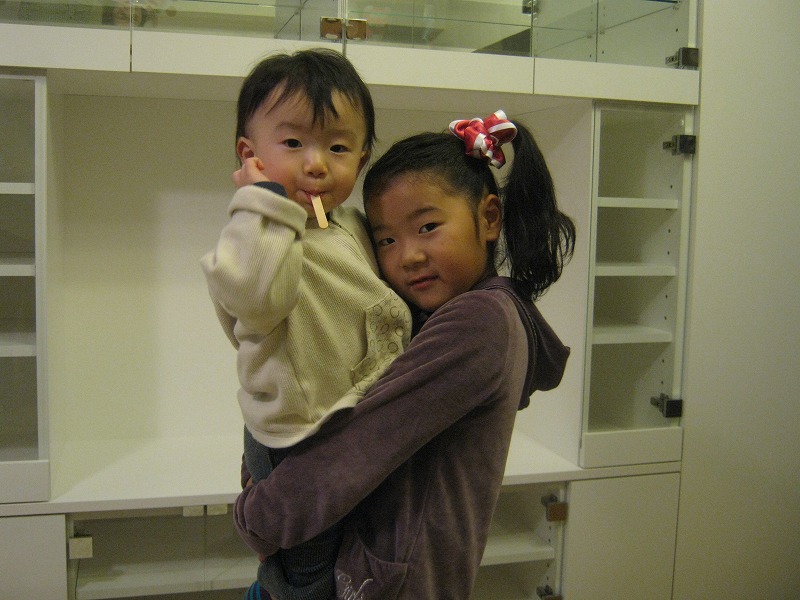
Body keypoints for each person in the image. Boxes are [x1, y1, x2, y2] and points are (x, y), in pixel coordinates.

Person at [233, 110, 576, 599]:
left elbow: (357, 447)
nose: (408, 256)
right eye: (387, 240)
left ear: (489, 218)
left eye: (428, 226)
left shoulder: (480, 321)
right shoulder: (444, 315)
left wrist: (257, 518)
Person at [200, 49, 412, 600]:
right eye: (293, 143)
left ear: (361, 159)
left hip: (343, 428)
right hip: (296, 438)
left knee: (344, 556)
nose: (317, 163)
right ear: (251, 155)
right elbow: (256, 297)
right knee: (307, 573)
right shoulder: (254, 234)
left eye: (338, 148)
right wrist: (262, 202)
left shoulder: (348, 223)